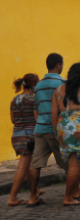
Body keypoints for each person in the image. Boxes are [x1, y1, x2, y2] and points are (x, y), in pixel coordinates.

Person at [51, 62, 80, 206]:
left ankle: (76, 191)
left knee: (77, 161)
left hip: (62, 127)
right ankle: (68, 197)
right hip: (78, 129)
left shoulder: (58, 91)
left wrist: (56, 130)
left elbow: (54, 112)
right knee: (74, 164)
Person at [28, 53, 68, 206]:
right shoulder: (63, 83)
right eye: (62, 64)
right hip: (55, 128)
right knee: (68, 161)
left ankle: (32, 197)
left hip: (40, 129)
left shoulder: (38, 86)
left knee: (35, 163)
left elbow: (37, 108)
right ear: (58, 65)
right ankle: (74, 190)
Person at [8, 74, 39, 206]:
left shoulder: (14, 100)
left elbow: (13, 120)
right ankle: (12, 197)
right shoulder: (33, 100)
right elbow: (37, 119)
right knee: (22, 167)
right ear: (32, 85)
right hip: (29, 136)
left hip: (17, 136)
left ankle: (34, 190)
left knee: (26, 166)